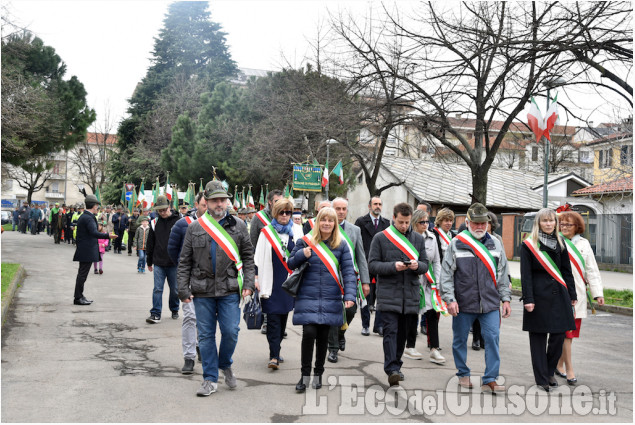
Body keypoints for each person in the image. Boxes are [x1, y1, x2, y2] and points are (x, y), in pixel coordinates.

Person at [177, 180, 255, 397]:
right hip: (202, 291)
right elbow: (184, 261)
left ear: (227, 201)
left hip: (230, 288)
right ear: (207, 202)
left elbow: (248, 257)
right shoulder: (195, 227)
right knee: (206, 336)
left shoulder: (239, 225)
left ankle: (225, 363)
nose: (219, 203)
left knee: (231, 331)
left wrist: (248, 283)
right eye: (214, 200)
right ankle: (210, 378)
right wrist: (183, 290)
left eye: (222, 199)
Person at [439, 203, 511, 393]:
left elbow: (503, 274)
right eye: (476, 223)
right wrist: (450, 299)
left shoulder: (496, 243)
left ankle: (490, 379)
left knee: (493, 339)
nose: (480, 227)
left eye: (483, 223)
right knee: (460, 340)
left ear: (488, 223)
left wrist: (506, 299)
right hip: (463, 302)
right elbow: (446, 274)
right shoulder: (457, 243)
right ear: (468, 223)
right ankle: (463, 373)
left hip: (489, 302)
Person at [287, 206, 357, 393]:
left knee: (324, 337)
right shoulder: (305, 241)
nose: (327, 223)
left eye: (330, 220)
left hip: (330, 297)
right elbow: (290, 262)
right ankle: (304, 375)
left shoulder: (341, 245)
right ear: (318, 222)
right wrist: (303, 254)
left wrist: (350, 295)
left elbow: (349, 272)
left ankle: (318, 373)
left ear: (335, 224)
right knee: (309, 333)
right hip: (307, 296)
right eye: (323, 220)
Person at [368, 203, 428, 386]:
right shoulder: (381, 238)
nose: (403, 226)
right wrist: (393, 267)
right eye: (400, 222)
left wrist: (418, 266)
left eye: (407, 222)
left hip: (409, 294)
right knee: (390, 332)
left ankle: (397, 365)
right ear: (394, 217)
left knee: (402, 334)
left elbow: (426, 264)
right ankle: (391, 368)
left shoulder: (418, 239)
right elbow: (373, 265)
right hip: (388, 293)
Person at [521, 208, 577, 392]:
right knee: (538, 338)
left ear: (555, 223)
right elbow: (526, 274)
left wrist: (572, 295)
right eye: (545, 221)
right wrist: (528, 298)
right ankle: (542, 378)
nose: (548, 224)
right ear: (539, 223)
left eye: (551, 221)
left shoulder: (560, 242)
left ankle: (549, 370)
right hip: (537, 295)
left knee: (559, 335)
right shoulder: (529, 245)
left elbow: (566, 271)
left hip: (559, 294)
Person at [555, 211, 604, 386]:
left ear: (578, 227)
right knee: (565, 333)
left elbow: (591, 269)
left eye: (569, 225)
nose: (565, 228)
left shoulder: (584, 244)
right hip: (559, 294)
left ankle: (559, 364)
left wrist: (598, 293)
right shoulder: (555, 241)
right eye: (562, 224)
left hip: (579, 296)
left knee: (570, 335)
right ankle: (569, 369)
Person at [167, 192, 207, 375]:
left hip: (210, 280)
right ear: (197, 204)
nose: (208, 208)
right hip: (189, 278)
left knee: (205, 318)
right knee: (190, 317)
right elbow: (172, 249)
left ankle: (201, 346)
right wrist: (183, 271)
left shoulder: (219, 225)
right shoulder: (183, 224)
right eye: (204, 204)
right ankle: (189, 357)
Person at [254, 198, 296, 370]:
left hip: (288, 283)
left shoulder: (297, 230)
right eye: (281, 212)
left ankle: (277, 350)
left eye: (288, 212)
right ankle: (273, 355)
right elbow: (257, 257)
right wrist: (256, 278)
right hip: (270, 282)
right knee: (272, 319)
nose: (285, 216)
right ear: (275, 213)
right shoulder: (266, 232)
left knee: (283, 319)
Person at [327, 197, 370, 362]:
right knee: (333, 312)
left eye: (344, 209)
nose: (341, 212)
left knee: (350, 311)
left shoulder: (355, 230)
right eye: (337, 208)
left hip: (349, 278)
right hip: (330, 277)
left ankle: (340, 333)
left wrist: (365, 282)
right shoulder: (325, 227)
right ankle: (333, 348)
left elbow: (361, 257)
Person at [405, 209, 445, 365]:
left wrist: (438, 281)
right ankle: (410, 346)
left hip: (428, 283)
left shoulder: (432, 238)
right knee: (412, 314)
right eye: (422, 222)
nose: (425, 224)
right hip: (412, 282)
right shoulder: (408, 238)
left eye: (427, 221)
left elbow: (436, 261)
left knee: (432, 313)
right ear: (415, 223)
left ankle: (434, 348)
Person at [354, 196, 390, 336]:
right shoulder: (361, 222)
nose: (378, 206)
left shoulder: (386, 223)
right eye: (375, 204)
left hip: (381, 264)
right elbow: (357, 242)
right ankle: (365, 325)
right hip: (365, 262)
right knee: (366, 294)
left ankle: (379, 325)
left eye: (380, 204)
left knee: (381, 295)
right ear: (369, 206)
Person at [72, 195, 117, 305]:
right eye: (97, 205)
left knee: (82, 274)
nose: (98, 208)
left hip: (85, 249)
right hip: (86, 250)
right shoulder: (88, 217)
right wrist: (107, 236)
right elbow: (94, 232)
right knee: (82, 275)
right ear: (94, 206)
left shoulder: (85, 216)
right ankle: (78, 297)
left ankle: (79, 296)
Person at [146, 195, 181, 323]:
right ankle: (155, 313)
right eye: (160, 211)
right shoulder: (154, 223)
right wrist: (149, 261)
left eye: (164, 210)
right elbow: (150, 243)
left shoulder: (179, 221)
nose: (162, 212)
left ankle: (175, 308)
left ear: (169, 207)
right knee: (157, 289)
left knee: (175, 289)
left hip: (174, 263)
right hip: (159, 262)